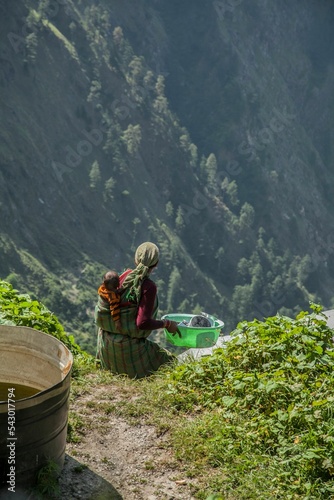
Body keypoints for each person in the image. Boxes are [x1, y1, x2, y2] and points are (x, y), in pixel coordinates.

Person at [95, 242, 179, 379]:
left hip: (106, 345)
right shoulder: (148, 287)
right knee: (170, 363)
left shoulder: (121, 277)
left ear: (136, 260)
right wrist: (167, 324)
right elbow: (143, 323)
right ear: (156, 264)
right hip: (128, 351)